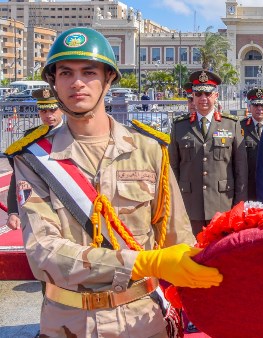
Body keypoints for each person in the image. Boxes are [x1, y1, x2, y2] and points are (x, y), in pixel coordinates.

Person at [7, 27, 222, 337]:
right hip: (68, 324)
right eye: (65, 73)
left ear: (108, 79)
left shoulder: (149, 150)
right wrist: (145, 262)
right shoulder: (33, 160)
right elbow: (45, 252)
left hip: (143, 322)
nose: (77, 82)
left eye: (89, 72)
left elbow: (177, 238)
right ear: (53, 82)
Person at [169, 70, 248, 235]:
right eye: (198, 94)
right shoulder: (179, 126)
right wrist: (173, 204)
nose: (203, 98)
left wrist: (239, 205)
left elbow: (240, 170)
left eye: (208, 93)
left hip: (222, 204)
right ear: (193, 97)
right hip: (189, 204)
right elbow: (173, 169)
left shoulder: (231, 125)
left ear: (216, 96)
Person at [6, 87, 64, 230]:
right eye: (44, 111)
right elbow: (18, 176)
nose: (48, 115)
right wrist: (13, 211)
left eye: (53, 110)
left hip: (68, 203)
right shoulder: (30, 137)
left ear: (62, 109)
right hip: (39, 205)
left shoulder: (73, 134)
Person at [240, 88, 263, 201]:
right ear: (249, 107)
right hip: (247, 185)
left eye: (262, 105)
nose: (259, 109)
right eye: (255, 105)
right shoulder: (240, 127)